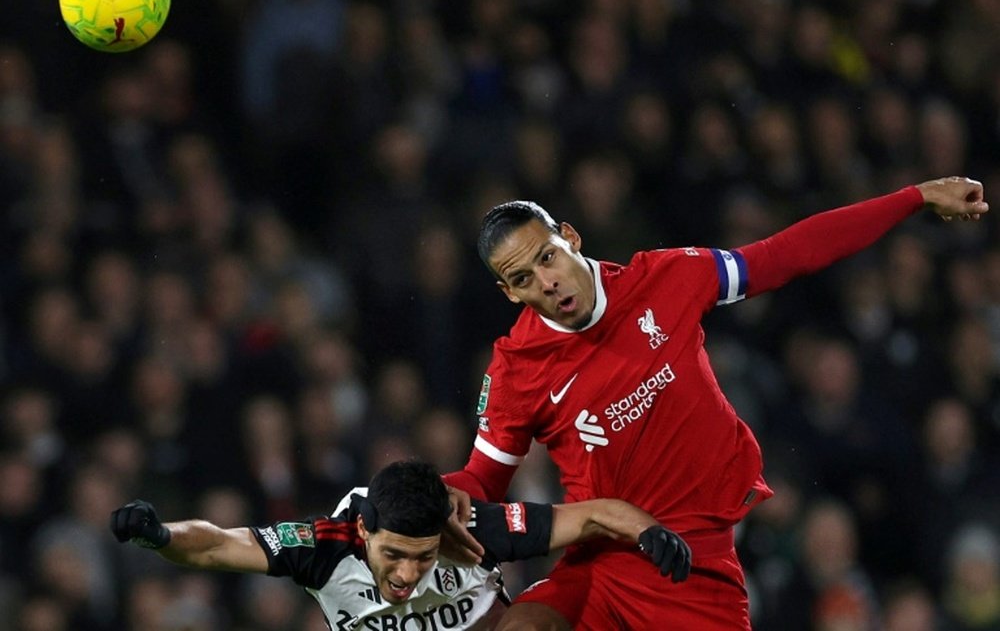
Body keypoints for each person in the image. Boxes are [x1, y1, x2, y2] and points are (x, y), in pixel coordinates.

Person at [443, 176, 988, 630]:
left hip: (693, 561)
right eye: (523, 278)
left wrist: (915, 197)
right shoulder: (516, 366)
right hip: (601, 562)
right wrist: (432, 495)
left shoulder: (668, 277)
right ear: (509, 293)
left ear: (570, 238)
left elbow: (786, 254)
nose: (547, 282)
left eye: (547, 257)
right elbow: (483, 480)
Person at [109, 459, 691, 631]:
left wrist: (650, 532)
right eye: (395, 555)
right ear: (364, 532)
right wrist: (162, 536)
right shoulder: (323, 544)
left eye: (424, 554)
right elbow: (214, 545)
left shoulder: (470, 528)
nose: (410, 572)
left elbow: (591, 518)